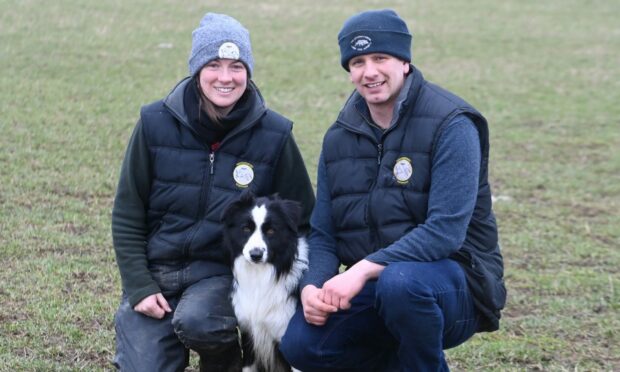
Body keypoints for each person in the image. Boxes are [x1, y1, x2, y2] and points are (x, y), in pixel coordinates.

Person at [280, 9, 506, 371]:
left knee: (401, 285)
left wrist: (361, 270)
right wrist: (313, 287)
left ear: (404, 61)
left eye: (380, 58)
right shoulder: (339, 137)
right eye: (357, 62)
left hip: (454, 286)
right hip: (379, 289)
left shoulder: (452, 124)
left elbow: (444, 232)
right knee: (302, 345)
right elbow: (323, 234)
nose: (369, 72)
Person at [111, 12, 315, 372]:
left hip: (219, 275)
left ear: (248, 72)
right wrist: (140, 285)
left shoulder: (275, 134)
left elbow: (306, 220)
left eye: (237, 66)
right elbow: (128, 213)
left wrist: (298, 287)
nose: (225, 77)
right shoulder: (154, 122)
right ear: (196, 69)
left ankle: (224, 361)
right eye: (214, 65)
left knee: (201, 322)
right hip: (157, 270)